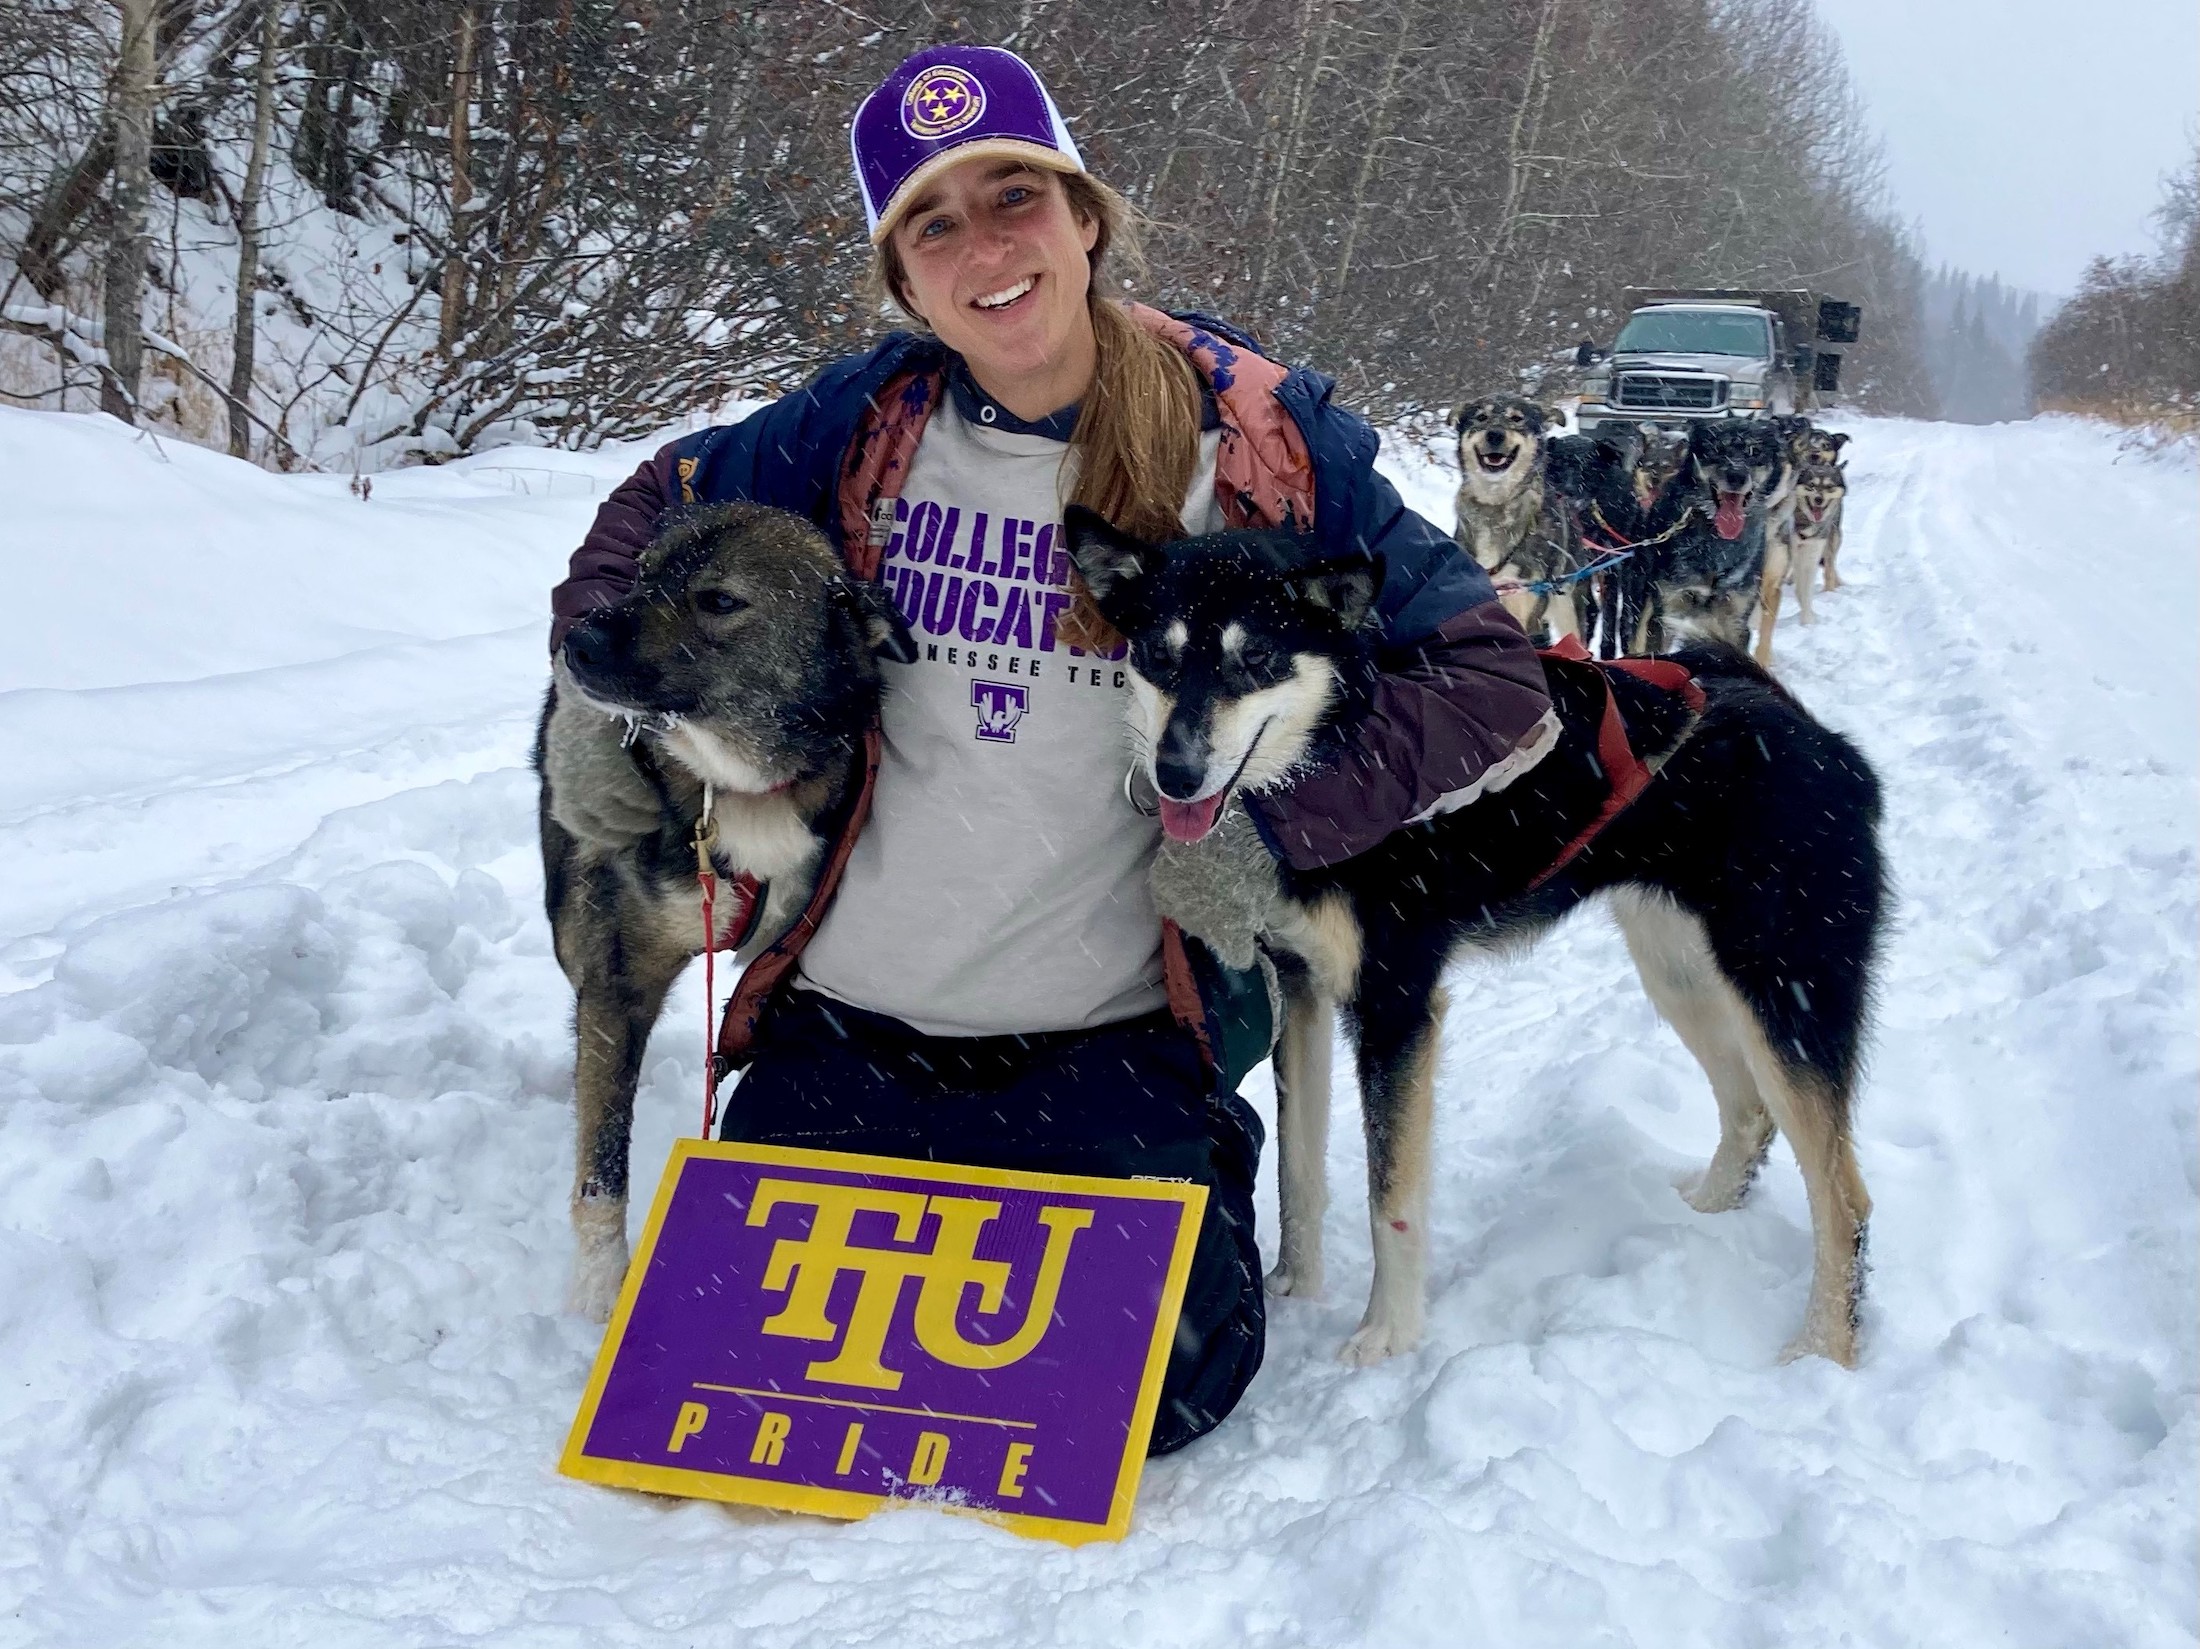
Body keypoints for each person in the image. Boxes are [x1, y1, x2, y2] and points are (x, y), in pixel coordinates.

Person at [544, 44, 1555, 1453]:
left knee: (1157, 1387)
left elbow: (1493, 673)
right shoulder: (856, 425)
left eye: (1014, 194)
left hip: (1116, 1035)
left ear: (1086, 215)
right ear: (905, 280)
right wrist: (600, 679)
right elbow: (655, 503)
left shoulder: (1258, 441)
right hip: (853, 1019)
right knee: (757, 1390)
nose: (984, 246)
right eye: (932, 224)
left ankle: (1190, 1162)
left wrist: (1283, 823)